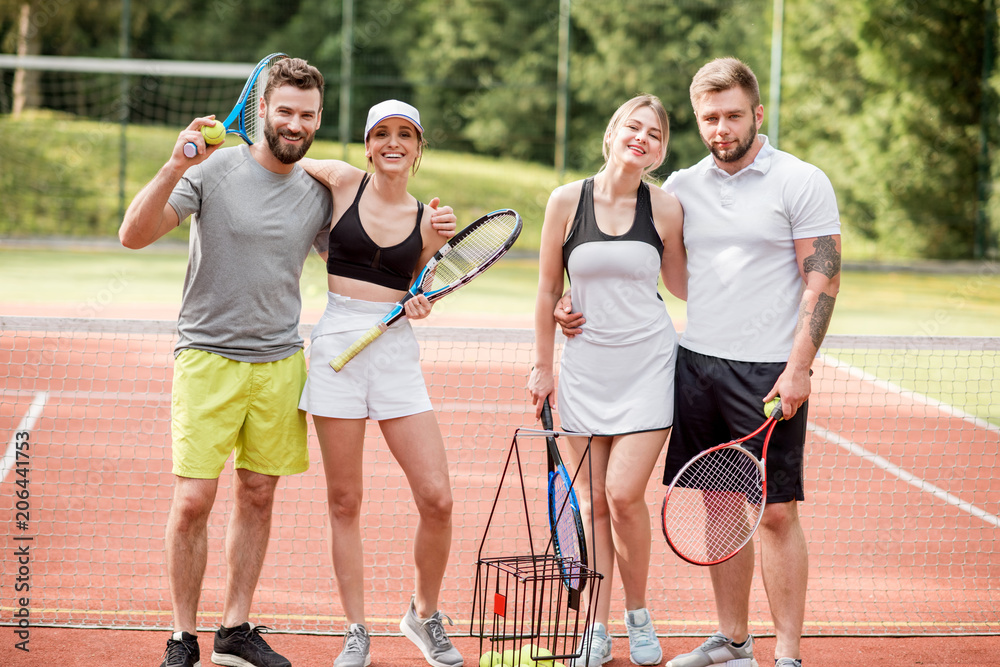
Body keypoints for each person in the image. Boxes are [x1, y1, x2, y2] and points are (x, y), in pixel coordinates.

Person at [120, 61, 455, 667]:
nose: (295, 124)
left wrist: (417, 287)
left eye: (306, 115)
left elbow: (368, 258)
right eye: (285, 112)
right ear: (262, 112)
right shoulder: (212, 170)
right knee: (194, 499)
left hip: (280, 362)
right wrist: (175, 163)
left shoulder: (318, 193)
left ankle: (235, 629)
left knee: (257, 494)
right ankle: (181, 635)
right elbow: (133, 235)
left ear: (319, 120)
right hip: (207, 358)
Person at [556, 58, 841, 667]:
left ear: (757, 114)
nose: (722, 128)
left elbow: (823, 279)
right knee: (716, 505)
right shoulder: (680, 188)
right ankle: (733, 641)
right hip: (697, 366)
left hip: (769, 372)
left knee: (776, 513)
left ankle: (786, 654)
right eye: (709, 118)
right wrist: (566, 298)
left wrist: (798, 368)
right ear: (697, 120)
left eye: (734, 115)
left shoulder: (801, 180)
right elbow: (636, 267)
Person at [295, 99, 463, 667]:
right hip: (336, 345)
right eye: (383, 134)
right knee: (345, 500)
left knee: (437, 498)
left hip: (393, 355)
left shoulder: (430, 221)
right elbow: (282, 154)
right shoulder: (342, 181)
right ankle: (355, 630)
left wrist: (418, 303)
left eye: (406, 136)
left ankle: (423, 614)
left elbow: (421, 288)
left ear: (418, 150)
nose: (394, 143)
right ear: (367, 145)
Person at [528, 94, 686, 667]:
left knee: (622, 496)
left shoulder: (666, 208)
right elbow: (548, 289)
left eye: (655, 134)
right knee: (592, 502)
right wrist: (544, 365)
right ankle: (595, 627)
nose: (641, 138)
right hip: (584, 371)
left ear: (661, 150)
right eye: (633, 127)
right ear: (613, 132)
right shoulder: (566, 201)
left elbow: (685, 286)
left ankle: (638, 615)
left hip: (649, 367)